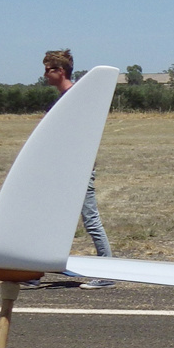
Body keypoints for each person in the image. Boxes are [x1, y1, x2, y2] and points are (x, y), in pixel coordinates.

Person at [29, 50, 114, 288]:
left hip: (78, 168)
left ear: (60, 71)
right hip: (63, 168)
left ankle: (107, 272)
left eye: (48, 70)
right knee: (50, 218)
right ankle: (37, 271)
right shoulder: (65, 97)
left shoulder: (74, 97)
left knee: (90, 219)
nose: (44, 75)